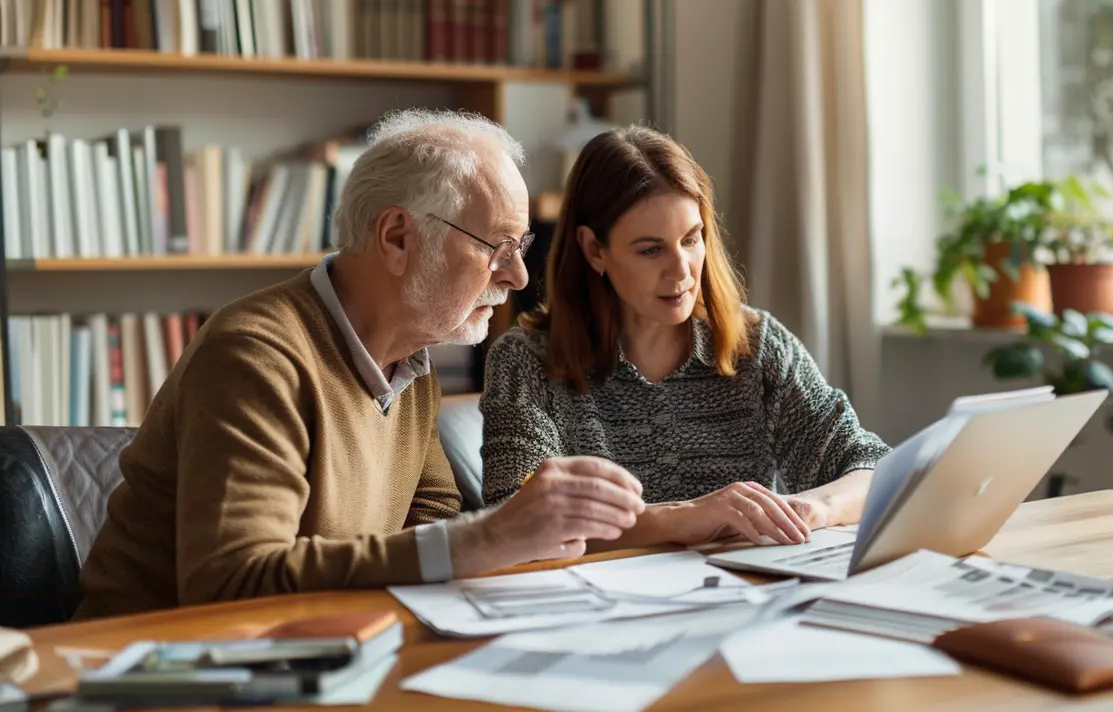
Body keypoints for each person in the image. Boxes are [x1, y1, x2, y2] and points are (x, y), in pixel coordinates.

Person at [74, 110, 646, 620]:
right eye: (497, 247)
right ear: (397, 236)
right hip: (150, 671)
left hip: (312, 652)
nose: (518, 277)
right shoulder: (255, 355)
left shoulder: (410, 361)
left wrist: (510, 541)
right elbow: (231, 582)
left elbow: (430, 521)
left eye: (521, 249)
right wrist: (486, 537)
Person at [479, 125, 890, 550]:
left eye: (691, 240)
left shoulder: (758, 346)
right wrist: (686, 518)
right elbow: (512, 521)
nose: (681, 271)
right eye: (651, 250)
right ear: (594, 250)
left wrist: (811, 509)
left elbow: (872, 469)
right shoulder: (525, 361)